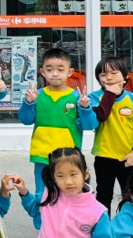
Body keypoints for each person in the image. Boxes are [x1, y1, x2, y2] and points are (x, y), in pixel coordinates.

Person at [17, 47, 99, 212]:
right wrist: (28, 103)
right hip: (42, 155)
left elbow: (90, 125)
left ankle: (68, 223)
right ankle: (43, 224)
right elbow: (25, 120)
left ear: (70, 72)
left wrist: (85, 108)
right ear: (42, 72)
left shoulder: (76, 97)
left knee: (68, 192)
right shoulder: (37, 95)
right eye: (49, 69)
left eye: (60, 69)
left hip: (68, 156)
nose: (55, 74)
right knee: (43, 194)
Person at [88, 56, 133, 213]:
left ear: (125, 76)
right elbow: (101, 116)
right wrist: (110, 94)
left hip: (128, 158)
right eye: (103, 75)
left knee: (130, 196)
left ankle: (127, 224)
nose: (109, 78)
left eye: (114, 73)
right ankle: (104, 226)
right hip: (103, 157)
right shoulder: (94, 98)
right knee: (103, 196)